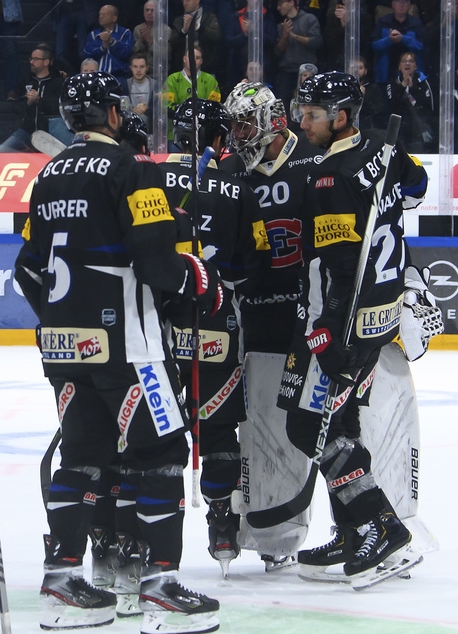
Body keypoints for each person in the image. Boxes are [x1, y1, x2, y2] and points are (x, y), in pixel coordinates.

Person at [14, 71, 221, 634]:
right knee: (159, 455)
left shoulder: (48, 176)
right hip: (129, 347)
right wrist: (198, 280)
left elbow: (28, 269)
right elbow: (158, 264)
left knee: (81, 457)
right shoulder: (135, 170)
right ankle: (158, 590)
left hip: (63, 346)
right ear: (109, 114)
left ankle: (62, 582)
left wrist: (62, 317)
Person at [284, 71, 428, 589]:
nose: (303, 122)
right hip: (380, 314)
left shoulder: (330, 177)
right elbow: (417, 188)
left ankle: (379, 524)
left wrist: (325, 336)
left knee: (313, 425)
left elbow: (334, 270)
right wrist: (388, 173)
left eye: (313, 115)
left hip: (345, 325)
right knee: (336, 425)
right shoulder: (380, 149)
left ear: (340, 117)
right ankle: (352, 529)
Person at [159, 96, 269, 578]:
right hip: (215, 323)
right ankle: (222, 523)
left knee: (153, 427)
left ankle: (135, 529)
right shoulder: (238, 188)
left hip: (157, 325)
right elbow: (256, 263)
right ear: (222, 140)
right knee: (218, 428)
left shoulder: (148, 179)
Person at [220, 80, 323, 570]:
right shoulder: (229, 172)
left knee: (326, 431)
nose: (238, 132)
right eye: (234, 123)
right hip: (257, 319)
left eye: (245, 121)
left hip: (312, 323)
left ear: (272, 120)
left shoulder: (315, 162)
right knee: (261, 431)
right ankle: (270, 531)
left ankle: (363, 524)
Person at [0, 43, 64, 152]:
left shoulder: (57, 82)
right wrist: (28, 103)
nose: (31, 62)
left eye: (36, 59)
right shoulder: (27, 81)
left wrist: (39, 100)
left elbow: (58, 108)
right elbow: (16, 107)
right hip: (26, 131)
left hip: (50, 133)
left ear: (46, 62)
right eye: (31, 59)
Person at [163, 45, 221, 141]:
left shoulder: (210, 80)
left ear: (201, 61)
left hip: (202, 136)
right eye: (190, 57)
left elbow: (213, 107)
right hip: (176, 137)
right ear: (184, 59)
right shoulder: (172, 79)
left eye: (197, 58)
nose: (193, 60)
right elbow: (165, 105)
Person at [385, 50, 435, 153]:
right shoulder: (392, 83)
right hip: (399, 131)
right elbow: (391, 105)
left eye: (411, 61)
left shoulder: (424, 82)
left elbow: (428, 105)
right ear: (399, 66)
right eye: (404, 61)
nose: (407, 63)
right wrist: (403, 85)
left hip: (417, 130)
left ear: (416, 66)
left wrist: (413, 88)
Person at [223, 0, 278, 94]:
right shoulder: (236, 16)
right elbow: (228, 41)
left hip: (264, 64)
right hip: (238, 65)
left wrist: (254, 30)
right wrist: (245, 34)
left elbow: (272, 41)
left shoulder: (268, 16)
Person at [273, 0, 322, 104]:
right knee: (283, 103)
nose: (278, 8)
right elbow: (278, 52)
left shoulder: (309, 19)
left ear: (291, 2)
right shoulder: (281, 26)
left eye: (281, 4)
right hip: (287, 70)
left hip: (307, 70)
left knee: (309, 102)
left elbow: (316, 42)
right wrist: (285, 35)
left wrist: (294, 36)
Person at [370, 0, 425, 84]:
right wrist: (389, 40)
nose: (402, 5)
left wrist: (403, 38)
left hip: (411, 72)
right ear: (393, 4)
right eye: (398, 2)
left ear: (410, 5)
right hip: (386, 72)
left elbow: (422, 46)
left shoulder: (416, 23)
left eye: (405, 2)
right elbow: (374, 45)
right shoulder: (383, 21)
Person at [170, 0, 223, 85]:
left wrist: (198, 26)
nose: (184, 3)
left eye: (187, 0)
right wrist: (183, 31)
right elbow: (172, 42)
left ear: (197, 1)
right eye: (183, 1)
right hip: (182, 71)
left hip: (206, 69)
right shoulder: (179, 20)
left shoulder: (210, 17)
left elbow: (216, 37)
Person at [82, 4, 134, 85]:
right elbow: (87, 54)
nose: (101, 17)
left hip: (119, 76)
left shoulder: (125, 33)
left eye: (104, 14)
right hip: (96, 77)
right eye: (100, 14)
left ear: (114, 18)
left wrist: (112, 41)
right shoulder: (93, 35)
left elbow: (126, 54)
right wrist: (103, 48)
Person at [126, 53, 153, 129]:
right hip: (130, 128)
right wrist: (132, 110)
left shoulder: (155, 85)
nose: (138, 70)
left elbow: (159, 110)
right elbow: (121, 109)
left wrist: (147, 109)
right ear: (131, 68)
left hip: (149, 129)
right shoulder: (125, 85)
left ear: (147, 68)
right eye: (135, 67)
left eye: (142, 67)